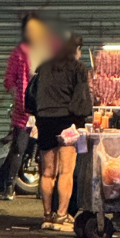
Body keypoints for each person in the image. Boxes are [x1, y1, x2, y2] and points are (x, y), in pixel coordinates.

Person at [33, 32, 92, 227]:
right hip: (66, 120)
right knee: (66, 171)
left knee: (48, 172)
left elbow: (33, 95)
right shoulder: (78, 68)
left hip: (44, 120)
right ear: (76, 50)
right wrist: (81, 119)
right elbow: (81, 99)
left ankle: (47, 216)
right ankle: (61, 216)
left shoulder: (43, 67)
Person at [0, 13, 53, 201]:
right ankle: (9, 185)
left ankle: (42, 188)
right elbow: (8, 79)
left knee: (44, 149)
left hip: (44, 110)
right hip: (23, 110)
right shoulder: (18, 53)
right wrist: (16, 93)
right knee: (18, 148)